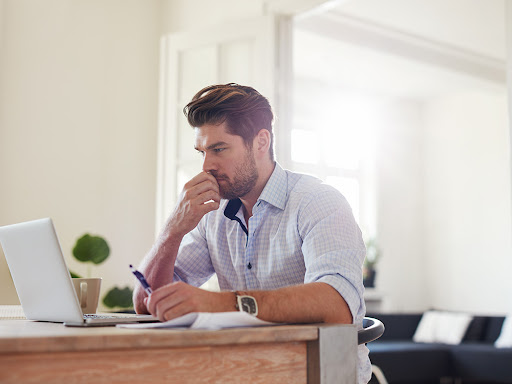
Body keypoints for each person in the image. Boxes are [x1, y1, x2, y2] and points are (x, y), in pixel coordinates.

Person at [133, 83, 371, 382]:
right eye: (202, 152)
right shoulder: (213, 215)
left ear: (260, 142)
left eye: (219, 149)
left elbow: (337, 305)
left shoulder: (318, 202)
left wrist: (221, 304)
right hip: (245, 373)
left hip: (318, 374)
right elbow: (145, 302)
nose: (207, 166)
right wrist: (173, 229)